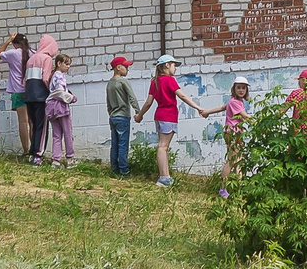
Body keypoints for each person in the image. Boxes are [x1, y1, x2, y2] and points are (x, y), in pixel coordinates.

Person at [136, 54, 207, 186]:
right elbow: (182, 95)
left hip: (160, 115)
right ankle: (164, 178)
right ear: (167, 65)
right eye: (174, 65)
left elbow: (148, 102)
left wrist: (139, 115)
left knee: (163, 146)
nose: (175, 68)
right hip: (168, 116)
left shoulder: (154, 82)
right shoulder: (170, 80)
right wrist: (198, 107)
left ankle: (165, 176)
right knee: (163, 147)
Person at [201, 75, 251, 178]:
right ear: (234, 89)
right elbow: (245, 116)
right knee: (232, 160)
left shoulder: (235, 101)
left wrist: (207, 112)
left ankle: (239, 185)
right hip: (232, 133)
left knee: (238, 159)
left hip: (235, 133)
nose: (241, 90)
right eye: (238, 87)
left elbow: (222, 107)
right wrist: (258, 122)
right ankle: (223, 187)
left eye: (243, 88)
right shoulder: (234, 102)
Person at [22, 35, 57, 163]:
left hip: (29, 96)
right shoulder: (46, 58)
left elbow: (24, 81)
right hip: (41, 97)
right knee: (42, 127)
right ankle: (38, 154)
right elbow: (45, 78)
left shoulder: (31, 59)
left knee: (34, 124)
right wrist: (52, 91)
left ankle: (32, 152)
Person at [0, 34, 31, 155]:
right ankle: (35, 150)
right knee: (32, 122)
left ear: (15, 43)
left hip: (18, 91)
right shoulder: (34, 52)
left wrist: (8, 40)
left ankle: (26, 150)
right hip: (32, 91)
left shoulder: (13, 53)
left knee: (23, 122)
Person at [105, 57, 136, 176]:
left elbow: (108, 101)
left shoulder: (109, 83)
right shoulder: (123, 82)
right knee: (123, 144)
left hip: (113, 117)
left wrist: (110, 113)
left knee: (115, 144)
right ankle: (124, 170)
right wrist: (138, 111)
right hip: (123, 116)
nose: (127, 69)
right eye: (126, 67)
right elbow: (131, 97)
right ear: (118, 67)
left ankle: (114, 169)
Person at [44, 53, 76, 167]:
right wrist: (71, 98)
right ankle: (69, 159)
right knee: (68, 132)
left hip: (51, 107)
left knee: (56, 134)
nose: (68, 67)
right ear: (59, 63)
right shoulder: (60, 76)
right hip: (61, 106)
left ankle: (56, 160)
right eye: (66, 64)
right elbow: (60, 92)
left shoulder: (53, 76)